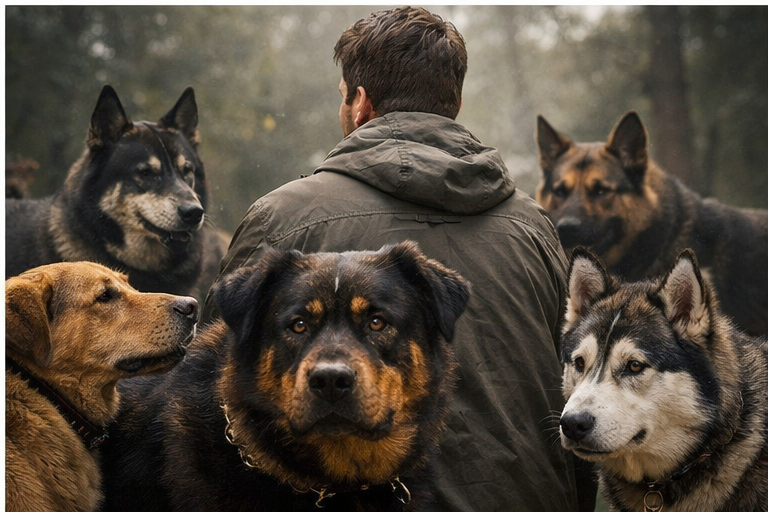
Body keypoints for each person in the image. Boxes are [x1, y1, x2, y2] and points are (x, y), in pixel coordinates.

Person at [201, 6, 596, 512]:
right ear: (450, 104)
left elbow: (218, 393)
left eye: (342, 99)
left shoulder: (284, 217)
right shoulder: (535, 227)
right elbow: (581, 388)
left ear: (359, 103)